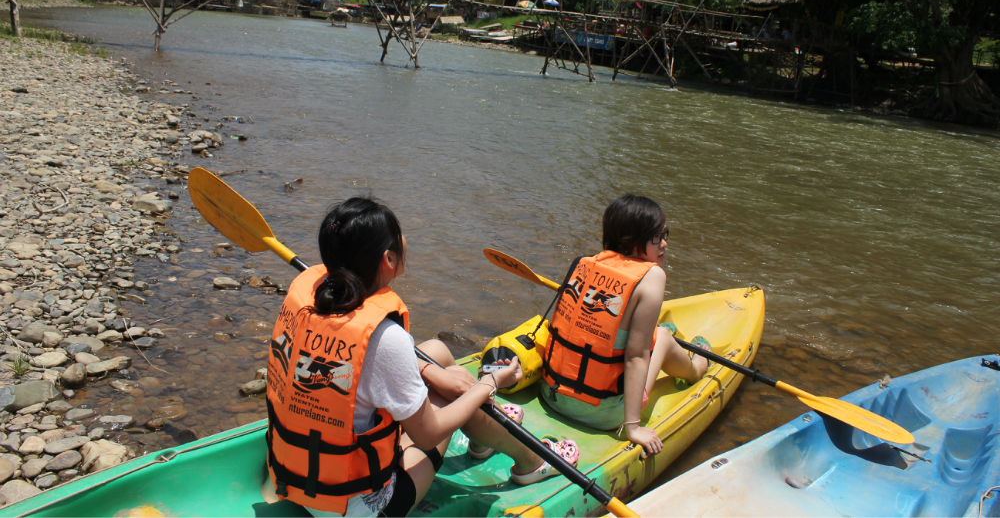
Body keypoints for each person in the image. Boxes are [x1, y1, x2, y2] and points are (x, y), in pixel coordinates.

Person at [265, 197, 575, 518]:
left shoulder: (312, 297)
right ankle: (531, 462)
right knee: (456, 395)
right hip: (359, 508)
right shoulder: (386, 338)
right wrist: (487, 385)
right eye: (399, 235)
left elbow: (366, 362)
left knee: (436, 353)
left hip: (300, 477)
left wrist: (434, 371)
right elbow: (429, 432)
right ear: (388, 258)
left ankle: (483, 438)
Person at [540, 194, 710, 458]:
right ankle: (696, 368)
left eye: (665, 234)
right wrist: (632, 428)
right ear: (632, 239)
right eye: (657, 236)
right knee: (662, 337)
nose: (664, 243)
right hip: (603, 413)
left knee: (641, 334)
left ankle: (657, 334)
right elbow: (636, 356)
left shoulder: (585, 263)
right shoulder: (652, 277)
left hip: (552, 394)